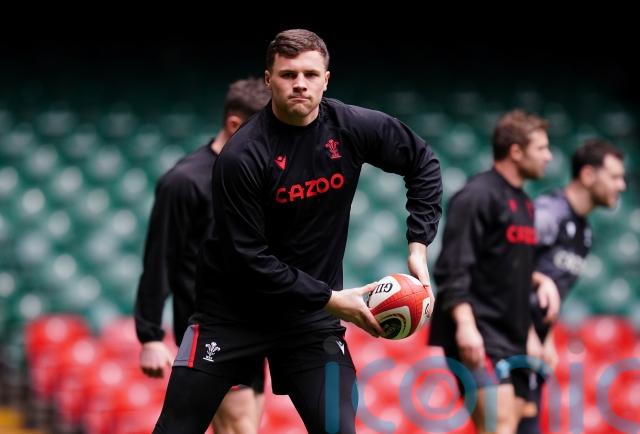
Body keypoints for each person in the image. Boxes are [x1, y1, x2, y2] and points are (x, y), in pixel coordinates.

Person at [152, 28, 442, 434]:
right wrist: (332, 299)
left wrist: (418, 244)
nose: (300, 83)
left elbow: (422, 162)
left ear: (326, 79)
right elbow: (248, 259)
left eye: (310, 74)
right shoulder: (242, 156)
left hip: (309, 319)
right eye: (288, 74)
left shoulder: (351, 127)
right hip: (232, 314)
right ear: (268, 80)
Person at [134, 77, 271, 434]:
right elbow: (159, 259)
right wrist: (150, 335)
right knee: (239, 428)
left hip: (254, 326)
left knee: (245, 426)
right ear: (235, 124)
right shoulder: (184, 181)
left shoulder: (258, 176)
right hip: (210, 330)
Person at [428, 109, 554, 434]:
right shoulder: (476, 196)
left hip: (512, 335)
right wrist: (466, 326)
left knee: (512, 425)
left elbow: (513, 272)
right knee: (497, 426)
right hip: (478, 332)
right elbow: (452, 267)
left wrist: (530, 332)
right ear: (516, 151)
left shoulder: (525, 203)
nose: (549, 157)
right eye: (542, 148)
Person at [517, 139, 626, 434]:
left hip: (533, 347)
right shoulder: (548, 215)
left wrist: (547, 336)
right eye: (614, 177)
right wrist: (528, 334)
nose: (622, 186)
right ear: (588, 175)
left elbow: (550, 295)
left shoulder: (584, 233)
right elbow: (507, 268)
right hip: (509, 337)